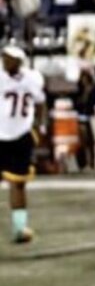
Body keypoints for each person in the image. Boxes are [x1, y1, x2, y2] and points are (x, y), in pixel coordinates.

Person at [0, 46, 46, 243]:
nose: (4, 61)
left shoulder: (32, 78)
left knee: (18, 184)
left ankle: (20, 228)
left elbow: (41, 102)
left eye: (8, 58)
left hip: (21, 135)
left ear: (19, 61)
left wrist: (41, 126)